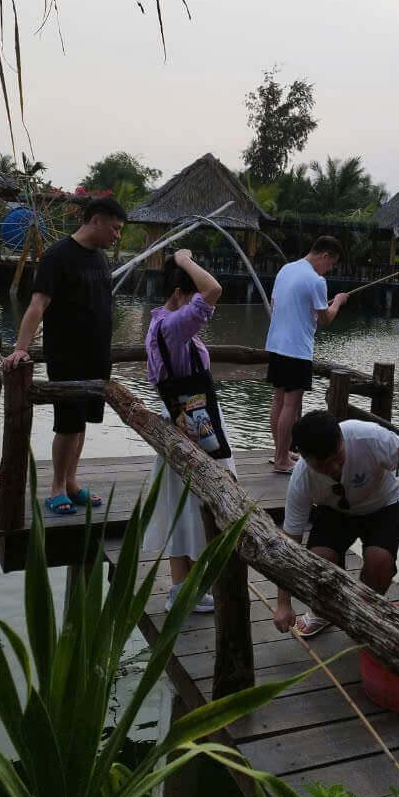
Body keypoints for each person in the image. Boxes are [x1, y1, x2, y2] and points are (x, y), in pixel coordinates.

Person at [3, 196, 127, 515]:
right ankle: (57, 487)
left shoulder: (100, 258)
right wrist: (21, 348)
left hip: (98, 355)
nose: (117, 236)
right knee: (68, 424)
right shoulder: (58, 256)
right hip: (68, 354)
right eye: (115, 228)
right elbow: (37, 305)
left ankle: (72, 483)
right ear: (96, 219)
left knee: (83, 422)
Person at [273, 410, 399, 637]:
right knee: (319, 562)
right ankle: (325, 612)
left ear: (341, 438)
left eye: (339, 457)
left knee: (379, 561)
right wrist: (283, 603)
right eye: (325, 465)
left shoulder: (366, 436)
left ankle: (365, 612)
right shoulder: (301, 479)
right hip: (336, 510)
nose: (336, 468)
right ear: (304, 458)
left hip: (383, 505)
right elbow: (290, 543)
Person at [142, 248, 237, 613]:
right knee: (207, 500)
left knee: (181, 505)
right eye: (190, 295)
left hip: (182, 422)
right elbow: (213, 290)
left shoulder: (158, 324)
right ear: (179, 294)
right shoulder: (173, 324)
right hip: (200, 427)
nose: (198, 303)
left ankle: (183, 589)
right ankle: (190, 588)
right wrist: (183, 259)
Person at [265, 236, 348, 472]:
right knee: (291, 404)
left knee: (278, 400)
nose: (329, 269)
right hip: (297, 349)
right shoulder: (316, 280)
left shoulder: (286, 269)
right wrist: (339, 302)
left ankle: (280, 452)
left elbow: (275, 303)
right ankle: (282, 460)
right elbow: (326, 319)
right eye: (331, 264)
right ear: (325, 256)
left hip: (277, 344)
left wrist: (307, 310)